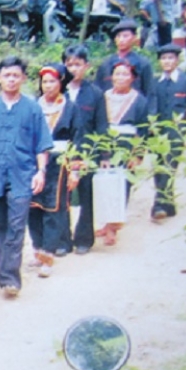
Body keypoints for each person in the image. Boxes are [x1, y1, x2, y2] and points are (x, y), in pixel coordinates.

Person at [0, 56, 53, 297]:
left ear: (23, 79)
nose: (11, 80)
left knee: (16, 225)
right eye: (6, 75)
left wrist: (41, 171)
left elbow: (42, 143)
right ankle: (3, 271)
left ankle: (11, 279)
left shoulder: (32, 109)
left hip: (23, 175)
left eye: (15, 76)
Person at [28, 64, 79, 278]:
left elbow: (78, 139)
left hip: (60, 162)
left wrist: (75, 169)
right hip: (33, 161)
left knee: (54, 208)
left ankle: (49, 254)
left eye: (52, 81)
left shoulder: (70, 107)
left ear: (61, 83)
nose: (48, 86)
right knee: (33, 207)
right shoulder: (33, 106)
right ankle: (38, 249)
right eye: (45, 81)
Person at [61, 45, 109, 256]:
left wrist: (104, 154)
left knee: (87, 195)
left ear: (86, 66)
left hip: (87, 152)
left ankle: (84, 239)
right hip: (62, 151)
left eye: (78, 64)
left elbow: (102, 126)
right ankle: (62, 240)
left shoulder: (95, 94)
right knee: (61, 196)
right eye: (69, 64)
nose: (73, 69)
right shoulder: (56, 90)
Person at [151, 44, 186, 220]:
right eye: (164, 58)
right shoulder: (155, 82)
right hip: (158, 132)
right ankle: (169, 205)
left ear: (177, 60)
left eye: (170, 58)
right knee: (158, 166)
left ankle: (159, 205)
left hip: (176, 131)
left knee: (170, 166)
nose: (167, 62)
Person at [101, 60, 149, 245]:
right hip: (105, 144)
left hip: (126, 145)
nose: (120, 78)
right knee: (104, 183)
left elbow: (142, 130)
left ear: (133, 78)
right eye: (117, 74)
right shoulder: (103, 96)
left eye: (125, 74)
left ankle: (114, 225)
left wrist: (137, 154)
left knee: (122, 184)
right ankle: (105, 222)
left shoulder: (139, 100)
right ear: (111, 76)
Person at [95, 18, 156, 100]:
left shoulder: (143, 63)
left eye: (125, 36)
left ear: (134, 38)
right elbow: (98, 89)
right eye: (118, 36)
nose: (121, 40)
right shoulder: (105, 63)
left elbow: (149, 91)